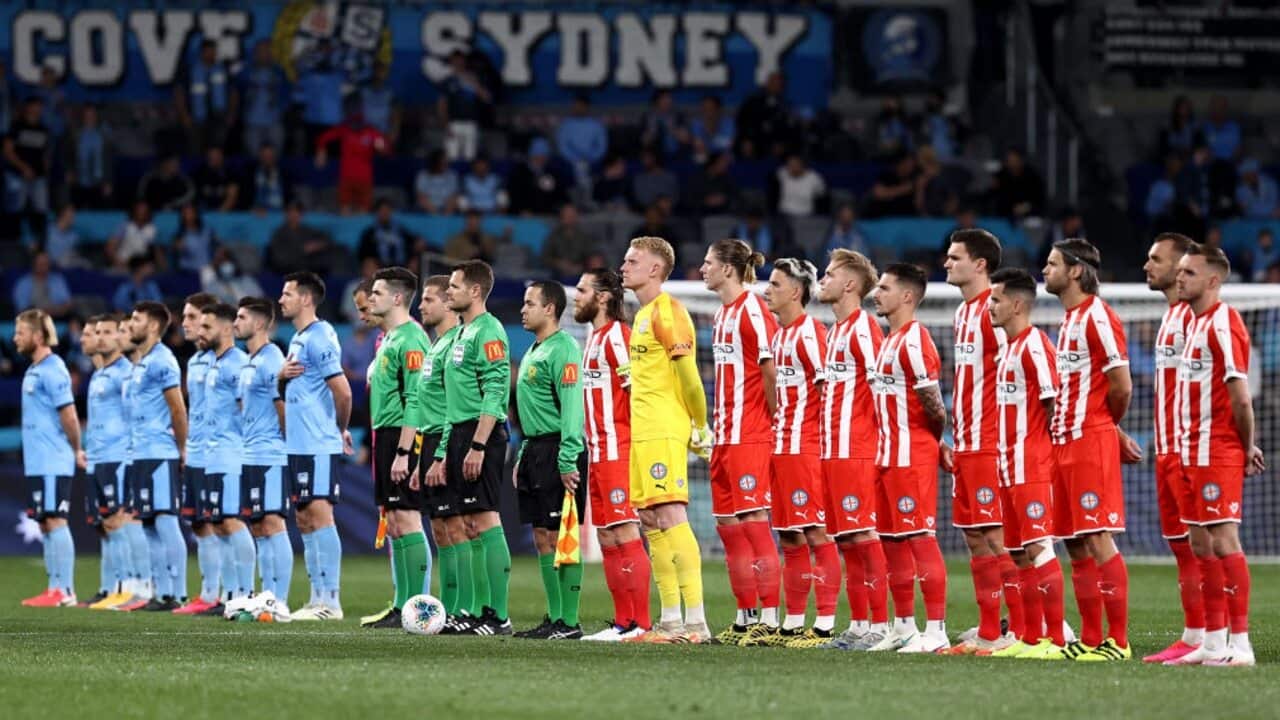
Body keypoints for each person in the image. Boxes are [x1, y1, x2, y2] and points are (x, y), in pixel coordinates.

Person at [1166, 243, 1265, 667]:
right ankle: (1212, 640)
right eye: (1180, 271)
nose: (1179, 278)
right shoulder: (1191, 322)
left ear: (1212, 280)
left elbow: (1241, 399)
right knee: (1200, 542)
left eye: (1188, 272)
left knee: (1223, 539)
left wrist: (1246, 447)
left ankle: (1240, 643)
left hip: (1217, 450)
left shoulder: (1223, 323)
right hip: (1190, 449)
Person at [1042, 238, 1138, 661]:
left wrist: (1106, 428)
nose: (1045, 270)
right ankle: (1092, 637)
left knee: (1097, 537)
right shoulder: (1069, 321)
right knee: (1075, 543)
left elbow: (1121, 386)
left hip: (1088, 440)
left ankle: (1117, 641)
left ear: (1076, 271)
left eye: (1052, 263)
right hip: (1063, 442)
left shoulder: (1098, 316)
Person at [618, 236, 712, 643]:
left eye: (632, 260)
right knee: (651, 521)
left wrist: (700, 424)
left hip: (662, 428)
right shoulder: (642, 316)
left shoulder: (668, 311)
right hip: (643, 431)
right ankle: (671, 621)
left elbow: (689, 375)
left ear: (655, 269)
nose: (623, 266)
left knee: (671, 516)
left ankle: (697, 623)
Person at [940, 229, 1023, 655]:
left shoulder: (996, 312)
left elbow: (1015, 371)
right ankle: (991, 626)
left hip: (993, 441)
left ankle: (1021, 627)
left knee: (997, 537)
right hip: (967, 440)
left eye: (955, 257)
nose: (946, 263)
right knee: (974, 537)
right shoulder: (961, 314)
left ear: (980, 265)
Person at [422, 260, 513, 635]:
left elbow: (496, 389)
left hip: (482, 434)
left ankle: (499, 616)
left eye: (456, 287)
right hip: (458, 433)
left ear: (475, 291)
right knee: (468, 525)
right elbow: (451, 404)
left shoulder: (489, 331)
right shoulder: (461, 333)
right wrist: (445, 451)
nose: (450, 293)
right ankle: (474, 612)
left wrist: (478, 443)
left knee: (485, 519)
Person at [698, 240, 782, 645]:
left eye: (709, 263)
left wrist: (773, 420)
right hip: (724, 436)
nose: (703, 268)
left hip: (750, 434)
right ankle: (746, 617)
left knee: (753, 523)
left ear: (729, 269)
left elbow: (770, 370)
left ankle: (769, 617)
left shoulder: (753, 308)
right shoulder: (719, 314)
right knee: (729, 528)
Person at [985, 267, 1070, 659]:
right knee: (1017, 551)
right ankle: (1029, 638)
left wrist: (1049, 457)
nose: (989, 306)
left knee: (1039, 546)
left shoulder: (1036, 345)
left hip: (1032, 465)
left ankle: (1057, 638)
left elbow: (1056, 405)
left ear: (1017, 304)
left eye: (996, 299)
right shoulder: (1007, 350)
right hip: (1007, 467)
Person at [754, 258, 839, 648]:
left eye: (774, 284)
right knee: (789, 535)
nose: (767, 290)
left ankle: (823, 624)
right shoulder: (779, 335)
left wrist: (819, 442)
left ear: (796, 291)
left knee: (816, 532)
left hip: (807, 448)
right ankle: (791, 623)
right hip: (782, 446)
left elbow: (828, 392)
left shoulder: (810, 333)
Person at [866, 263, 949, 653]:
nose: (876, 293)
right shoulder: (890, 340)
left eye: (884, 287)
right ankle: (903, 627)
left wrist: (934, 443)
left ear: (907, 297)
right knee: (891, 541)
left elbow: (935, 407)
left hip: (911, 456)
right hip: (886, 456)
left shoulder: (915, 342)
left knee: (919, 538)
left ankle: (936, 630)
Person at [813, 249, 892, 651]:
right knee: (845, 539)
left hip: (857, 449)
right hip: (833, 452)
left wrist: (881, 446)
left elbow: (882, 390)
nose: (821, 281)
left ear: (849, 285)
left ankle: (881, 624)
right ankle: (859, 624)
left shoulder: (863, 328)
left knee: (862, 534)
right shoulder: (836, 331)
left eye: (828, 275)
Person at [573, 269, 651, 641]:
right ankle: (622, 623)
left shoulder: (619, 337)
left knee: (625, 531)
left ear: (602, 297)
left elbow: (639, 393)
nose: (576, 296)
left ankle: (642, 624)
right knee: (606, 537)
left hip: (621, 451)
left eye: (582, 289)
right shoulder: (595, 337)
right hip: (599, 453)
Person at [1138, 232, 1203, 662]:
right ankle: (1196, 633)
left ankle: (1218, 636)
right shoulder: (1169, 318)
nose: (1148, 265)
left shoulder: (1192, 319)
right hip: (1167, 447)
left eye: (1156, 259)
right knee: (1182, 545)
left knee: (1204, 544)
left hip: (1189, 448)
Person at [512, 281, 588, 640]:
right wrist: (523, 454)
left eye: (530, 303)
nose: (522, 309)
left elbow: (573, 408)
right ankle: (555, 617)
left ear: (550, 309)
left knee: (561, 535)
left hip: (559, 449)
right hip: (535, 449)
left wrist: (568, 457)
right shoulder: (534, 350)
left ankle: (569, 622)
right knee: (542, 536)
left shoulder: (564, 350)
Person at [278, 272, 355, 620]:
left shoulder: (320, 337)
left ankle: (331, 601)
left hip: (317, 442)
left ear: (306, 299)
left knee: (320, 515)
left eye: (287, 293)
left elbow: (343, 391)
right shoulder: (299, 338)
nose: (281, 299)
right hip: (299, 444)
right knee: (305, 518)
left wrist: (339, 430)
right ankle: (315, 598)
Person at [362, 267, 432, 628]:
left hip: (403, 436)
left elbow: (415, 400)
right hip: (386, 433)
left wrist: (405, 452)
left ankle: (418, 607)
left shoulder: (411, 339)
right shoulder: (390, 339)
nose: (370, 298)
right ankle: (403, 606)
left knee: (408, 518)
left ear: (398, 297)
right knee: (394, 523)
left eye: (376, 292)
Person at [15, 308, 84, 607]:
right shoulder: (34, 369)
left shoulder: (54, 369)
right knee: (45, 522)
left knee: (56, 520)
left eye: (21, 332)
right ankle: (53, 586)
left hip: (54, 459)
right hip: (38, 462)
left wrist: (75, 448)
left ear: (38, 335)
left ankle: (65, 590)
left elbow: (69, 415)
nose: (16, 338)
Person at [123, 302, 189, 611]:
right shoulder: (142, 363)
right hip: (141, 453)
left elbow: (177, 407)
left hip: (160, 452)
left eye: (135, 320)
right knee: (148, 524)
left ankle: (178, 591)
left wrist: (183, 447)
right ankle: (160, 591)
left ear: (152, 326)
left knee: (164, 519)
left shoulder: (163, 361)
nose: (130, 324)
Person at [413, 276, 469, 624]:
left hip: (447, 441)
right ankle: (449, 608)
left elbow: (454, 404)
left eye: (429, 299)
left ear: (449, 303)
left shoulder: (452, 346)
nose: (422, 306)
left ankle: (466, 606)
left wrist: (441, 454)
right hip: (430, 440)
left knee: (457, 526)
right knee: (441, 528)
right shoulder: (436, 345)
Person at [235, 297, 294, 612]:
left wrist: (283, 445)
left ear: (259, 323)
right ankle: (265, 596)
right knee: (258, 525)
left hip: (270, 453)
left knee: (273, 523)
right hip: (250, 453)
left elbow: (282, 406)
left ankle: (279, 599)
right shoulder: (249, 360)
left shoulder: (272, 359)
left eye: (242, 317)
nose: (235, 322)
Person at [198, 302, 257, 615]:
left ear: (224, 328)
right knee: (219, 524)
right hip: (213, 453)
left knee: (232, 521)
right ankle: (229, 594)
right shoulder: (215, 362)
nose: (201, 332)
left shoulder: (237, 363)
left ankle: (245, 593)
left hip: (232, 453)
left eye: (207, 327)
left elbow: (248, 408)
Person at [170, 293, 223, 616]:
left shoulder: (230, 358)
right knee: (200, 523)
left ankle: (233, 591)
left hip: (222, 453)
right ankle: (207, 592)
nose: (186, 324)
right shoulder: (196, 360)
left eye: (192, 318)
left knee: (224, 523)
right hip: (198, 451)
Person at [84, 314, 141, 609]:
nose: (100, 337)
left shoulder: (124, 373)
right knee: (107, 524)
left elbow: (134, 414)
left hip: (118, 456)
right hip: (99, 456)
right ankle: (112, 587)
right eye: (98, 332)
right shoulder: (101, 373)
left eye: (107, 332)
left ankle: (128, 587)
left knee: (119, 521)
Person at [315, 105, 388, 215]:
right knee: (345, 212)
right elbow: (323, 138)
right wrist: (321, 152)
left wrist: (382, 149)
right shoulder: (344, 129)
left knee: (363, 214)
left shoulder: (372, 133)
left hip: (364, 180)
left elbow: (386, 149)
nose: (355, 125)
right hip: (346, 178)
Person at [175, 39, 237, 151]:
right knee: (196, 149)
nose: (211, 54)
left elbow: (233, 92)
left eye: (213, 51)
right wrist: (184, 115)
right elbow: (180, 93)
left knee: (218, 149)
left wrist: (231, 113)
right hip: (197, 118)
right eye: (208, 51)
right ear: (201, 52)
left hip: (219, 117)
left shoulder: (223, 70)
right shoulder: (190, 70)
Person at [4, 97, 52, 239]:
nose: (37, 110)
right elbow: (7, 151)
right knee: (14, 209)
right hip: (17, 176)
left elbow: (45, 153)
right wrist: (23, 167)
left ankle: (39, 242)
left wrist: (45, 168)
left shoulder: (43, 129)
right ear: (28, 107)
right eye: (35, 106)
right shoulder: (17, 126)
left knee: (41, 210)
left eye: (40, 106)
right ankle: (12, 241)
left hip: (38, 177)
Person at [439, 50, 492, 162]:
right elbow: (442, 104)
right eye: (455, 61)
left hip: (471, 123)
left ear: (465, 62)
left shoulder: (474, 78)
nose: (458, 63)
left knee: (470, 158)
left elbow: (487, 98)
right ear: (451, 62)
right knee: (451, 158)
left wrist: (473, 84)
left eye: (461, 61)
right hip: (453, 124)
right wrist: (445, 124)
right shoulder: (447, 81)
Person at [240, 40, 288, 155]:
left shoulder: (279, 71)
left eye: (268, 50)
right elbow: (236, 92)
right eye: (261, 51)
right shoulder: (246, 71)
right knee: (254, 157)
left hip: (274, 121)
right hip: (252, 122)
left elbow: (287, 93)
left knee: (274, 157)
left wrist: (283, 110)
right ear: (255, 53)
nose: (265, 53)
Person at [267, 201, 340, 274]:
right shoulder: (279, 233)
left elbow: (327, 239)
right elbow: (280, 258)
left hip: (309, 269)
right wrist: (303, 249)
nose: (294, 215)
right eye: (291, 212)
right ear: (286, 214)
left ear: (301, 215)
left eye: (297, 212)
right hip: (287, 270)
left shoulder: (307, 230)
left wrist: (318, 245)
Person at [64, 104, 114, 209]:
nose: (89, 118)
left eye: (92, 115)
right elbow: (68, 155)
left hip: (99, 183)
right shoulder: (75, 134)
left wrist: (108, 181)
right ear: (82, 116)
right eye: (86, 115)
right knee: (76, 213)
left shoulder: (104, 135)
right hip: (79, 181)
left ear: (96, 116)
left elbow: (109, 160)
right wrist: (69, 171)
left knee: (99, 214)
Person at [736, 71, 792, 159]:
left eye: (779, 84)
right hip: (753, 140)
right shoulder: (752, 101)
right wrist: (746, 139)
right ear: (767, 83)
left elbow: (787, 128)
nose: (775, 86)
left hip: (773, 143)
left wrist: (781, 143)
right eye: (773, 82)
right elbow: (742, 121)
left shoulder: (785, 105)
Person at [507, 137, 570, 216]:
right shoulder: (519, 173)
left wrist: (564, 207)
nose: (541, 158)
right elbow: (512, 195)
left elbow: (562, 196)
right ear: (531, 155)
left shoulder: (552, 173)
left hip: (548, 216)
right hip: (524, 216)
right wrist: (520, 210)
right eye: (537, 155)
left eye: (544, 155)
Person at [556, 94, 608, 185]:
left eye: (581, 106)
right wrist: (576, 159)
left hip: (593, 163)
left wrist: (590, 158)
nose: (578, 108)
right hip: (570, 164)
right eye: (575, 106)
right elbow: (562, 146)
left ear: (587, 107)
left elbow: (602, 146)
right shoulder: (565, 125)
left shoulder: (597, 125)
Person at [359, 198, 422, 269]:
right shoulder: (369, 233)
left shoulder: (400, 230)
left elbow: (413, 241)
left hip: (401, 266)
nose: (385, 213)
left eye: (387, 210)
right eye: (382, 211)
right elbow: (363, 254)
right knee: (369, 263)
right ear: (376, 213)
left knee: (415, 262)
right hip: (380, 267)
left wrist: (415, 253)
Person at [540, 203, 597, 278]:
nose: (570, 218)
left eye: (572, 215)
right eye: (567, 215)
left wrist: (581, 266)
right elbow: (544, 258)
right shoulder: (553, 237)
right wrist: (559, 263)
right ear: (561, 217)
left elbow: (591, 255)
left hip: (581, 273)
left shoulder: (584, 237)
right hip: (559, 275)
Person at [13, 251, 73, 319]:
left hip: (57, 317)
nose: (43, 267)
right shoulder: (23, 283)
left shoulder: (58, 280)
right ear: (33, 265)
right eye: (40, 264)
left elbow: (67, 303)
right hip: (34, 320)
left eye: (46, 264)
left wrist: (53, 311)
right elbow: (21, 309)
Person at [993, 147, 1046, 219]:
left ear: (1021, 160)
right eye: (1009, 159)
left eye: (1014, 159)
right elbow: (997, 197)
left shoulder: (1032, 176)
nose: (1011, 162)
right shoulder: (1001, 175)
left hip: (1029, 217)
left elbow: (1039, 200)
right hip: (1004, 216)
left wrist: (1025, 207)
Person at [684, 151, 739, 216]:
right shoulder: (696, 178)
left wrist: (724, 199)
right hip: (700, 215)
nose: (726, 165)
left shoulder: (727, 179)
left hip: (722, 214)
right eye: (723, 162)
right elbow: (687, 200)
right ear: (713, 163)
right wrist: (705, 201)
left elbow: (736, 197)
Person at [865, 152, 918, 218]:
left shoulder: (915, 178)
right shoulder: (887, 176)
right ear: (900, 163)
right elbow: (879, 194)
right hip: (883, 217)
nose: (911, 167)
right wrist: (904, 189)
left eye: (912, 164)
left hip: (905, 218)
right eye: (908, 163)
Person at [631, 147, 679, 213]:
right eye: (642, 158)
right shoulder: (639, 179)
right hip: (647, 213)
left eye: (647, 157)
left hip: (669, 211)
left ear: (654, 157)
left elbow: (675, 197)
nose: (644, 160)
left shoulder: (670, 176)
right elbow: (641, 199)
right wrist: (657, 203)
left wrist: (666, 202)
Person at [688, 95, 735, 161]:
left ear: (718, 109)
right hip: (705, 155)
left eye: (711, 108)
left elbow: (728, 146)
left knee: (728, 157)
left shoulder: (728, 123)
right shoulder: (696, 123)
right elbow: (698, 145)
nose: (707, 111)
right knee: (699, 157)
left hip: (723, 156)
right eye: (704, 108)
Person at [175, 203, 219, 273]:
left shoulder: (208, 231)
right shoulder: (179, 235)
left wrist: (214, 263)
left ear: (196, 214)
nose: (190, 216)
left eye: (191, 213)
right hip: (187, 271)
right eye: (186, 213)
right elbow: (177, 251)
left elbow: (218, 248)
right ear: (182, 216)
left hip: (207, 270)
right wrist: (179, 247)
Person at [194, 146, 239, 212]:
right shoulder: (199, 174)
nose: (215, 158)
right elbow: (195, 197)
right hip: (204, 213)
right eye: (212, 156)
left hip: (224, 214)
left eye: (217, 155)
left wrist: (219, 214)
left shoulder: (230, 174)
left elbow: (232, 197)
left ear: (222, 156)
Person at [415, 149, 460, 215]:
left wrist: (446, 214)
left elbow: (453, 196)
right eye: (442, 161)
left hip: (447, 211)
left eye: (446, 161)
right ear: (434, 162)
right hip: (426, 210)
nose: (445, 163)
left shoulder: (452, 176)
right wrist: (435, 213)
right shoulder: (423, 175)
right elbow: (421, 197)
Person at [249, 143, 291, 213]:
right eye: (264, 156)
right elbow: (247, 198)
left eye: (270, 156)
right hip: (256, 214)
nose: (267, 158)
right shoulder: (250, 174)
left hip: (280, 213)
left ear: (275, 156)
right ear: (260, 156)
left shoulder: (284, 174)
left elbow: (289, 196)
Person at [640, 90, 682, 158]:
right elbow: (644, 140)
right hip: (653, 153)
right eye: (664, 99)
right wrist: (652, 133)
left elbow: (685, 138)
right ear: (657, 101)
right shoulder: (647, 117)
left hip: (674, 152)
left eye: (669, 99)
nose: (668, 102)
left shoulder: (677, 115)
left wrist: (672, 130)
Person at [1201, 95, 1241, 162]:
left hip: (1230, 163)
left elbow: (1238, 148)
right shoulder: (1205, 127)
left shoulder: (1234, 127)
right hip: (1211, 163)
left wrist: (1233, 160)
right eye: (1215, 107)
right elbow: (1201, 149)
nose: (1218, 110)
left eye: (1222, 107)